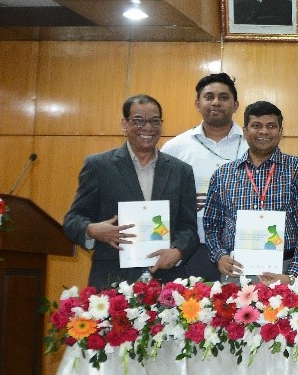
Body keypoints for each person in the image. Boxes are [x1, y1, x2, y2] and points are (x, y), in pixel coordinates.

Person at [64, 95, 198, 288]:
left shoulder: (181, 171)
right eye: (138, 121)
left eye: (155, 121)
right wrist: (92, 230)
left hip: (167, 281)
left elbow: (189, 227)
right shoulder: (99, 166)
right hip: (112, 280)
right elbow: (72, 219)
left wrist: (178, 251)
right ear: (124, 124)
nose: (148, 127)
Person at [204, 101, 298, 283]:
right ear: (245, 131)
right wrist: (219, 256)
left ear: (281, 131)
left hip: (285, 270)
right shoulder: (223, 174)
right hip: (235, 270)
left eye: (271, 126)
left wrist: (293, 274)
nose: (264, 131)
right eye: (256, 126)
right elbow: (211, 224)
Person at [161, 73, 243, 281]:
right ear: (197, 104)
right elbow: (158, 199)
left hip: (243, 249)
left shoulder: (252, 146)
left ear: (235, 105)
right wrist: (183, 203)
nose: (216, 102)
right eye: (209, 97)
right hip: (192, 249)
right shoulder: (175, 148)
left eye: (223, 97)